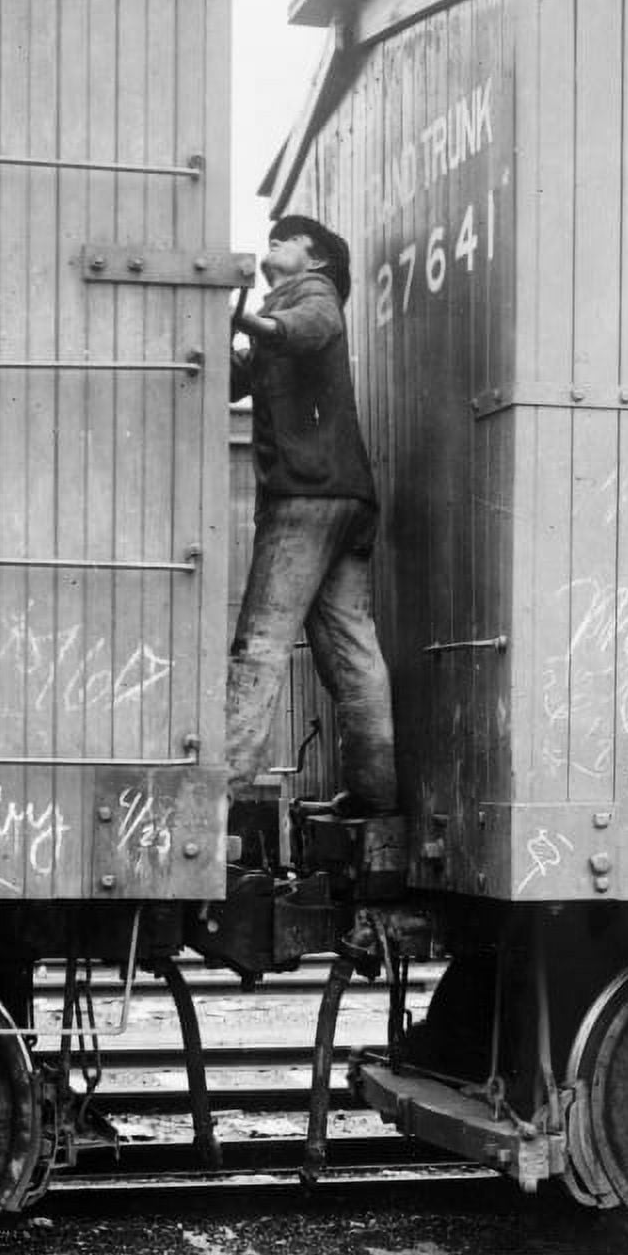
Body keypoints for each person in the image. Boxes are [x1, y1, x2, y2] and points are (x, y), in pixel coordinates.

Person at [227, 214, 398, 817]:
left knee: (261, 642)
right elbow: (230, 379)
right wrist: (232, 328)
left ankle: (220, 789)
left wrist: (246, 319)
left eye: (290, 236)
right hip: (346, 499)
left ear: (318, 259)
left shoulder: (313, 294)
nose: (275, 237)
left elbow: (309, 327)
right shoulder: (279, 314)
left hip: (306, 497)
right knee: (351, 648)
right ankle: (375, 795)